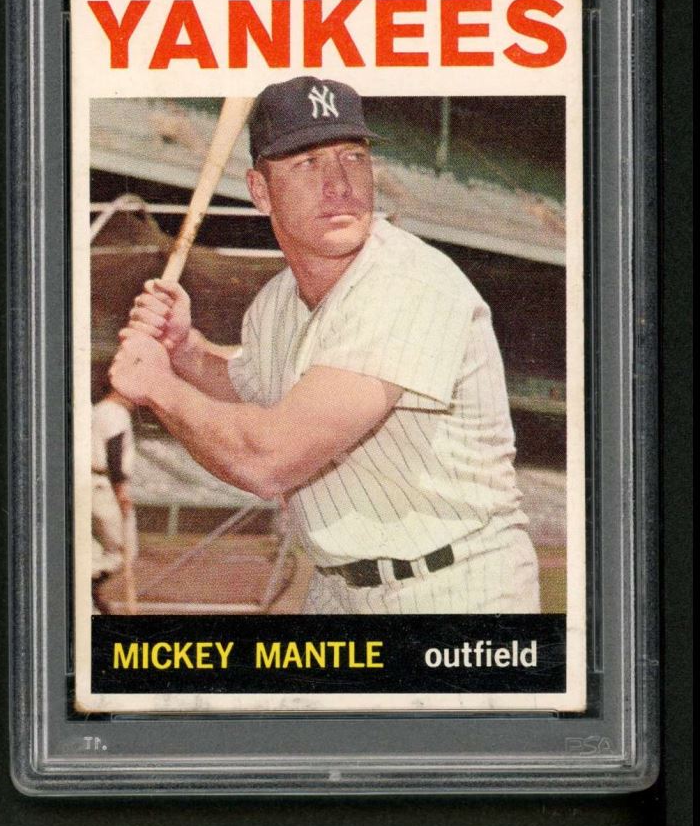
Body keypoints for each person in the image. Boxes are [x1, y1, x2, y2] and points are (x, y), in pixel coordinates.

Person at [110, 77, 540, 614]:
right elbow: (254, 393)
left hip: (455, 588)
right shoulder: (275, 303)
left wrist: (157, 387)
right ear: (261, 192)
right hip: (336, 589)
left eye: (353, 157)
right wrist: (186, 351)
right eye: (308, 163)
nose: (339, 184)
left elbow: (268, 459)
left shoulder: (407, 284)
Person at [91, 389, 138, 613]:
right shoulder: (115, 412)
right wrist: (121, 492)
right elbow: (114, 451)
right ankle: (86, 588)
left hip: (86, 483)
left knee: (95, 550)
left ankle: (90, 600)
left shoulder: (95, 410)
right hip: (104, 485)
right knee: (123, 551)